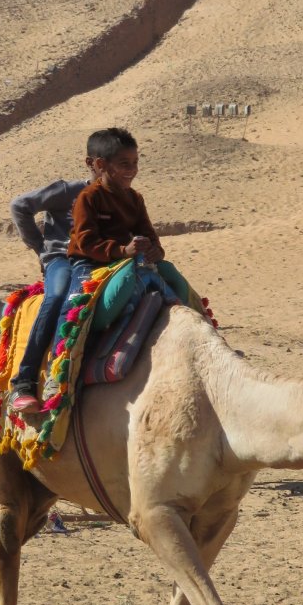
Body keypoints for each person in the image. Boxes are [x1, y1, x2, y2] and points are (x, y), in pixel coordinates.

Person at [36, 127, 181, 405]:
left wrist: (154, 250)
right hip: (89, 264)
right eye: (124, 164)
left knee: (174, 278)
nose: (132, 170)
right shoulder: (88, 198)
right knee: (76, 305)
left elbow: (150, 234)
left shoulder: (135, 199)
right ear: (101, 165)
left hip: (127, 260)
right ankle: (58, 368)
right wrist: (121, 250)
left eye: (135, 163)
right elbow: (86, 241)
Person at [7, 171, 90, 414]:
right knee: (57, 296)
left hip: (95, 262)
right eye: (116, 165)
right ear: (96, 164)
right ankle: (24, 381)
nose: (126, 171)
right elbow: (19, 205)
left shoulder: (120, 197)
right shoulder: (67, 191)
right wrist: (41, 248)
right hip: (61, 259)